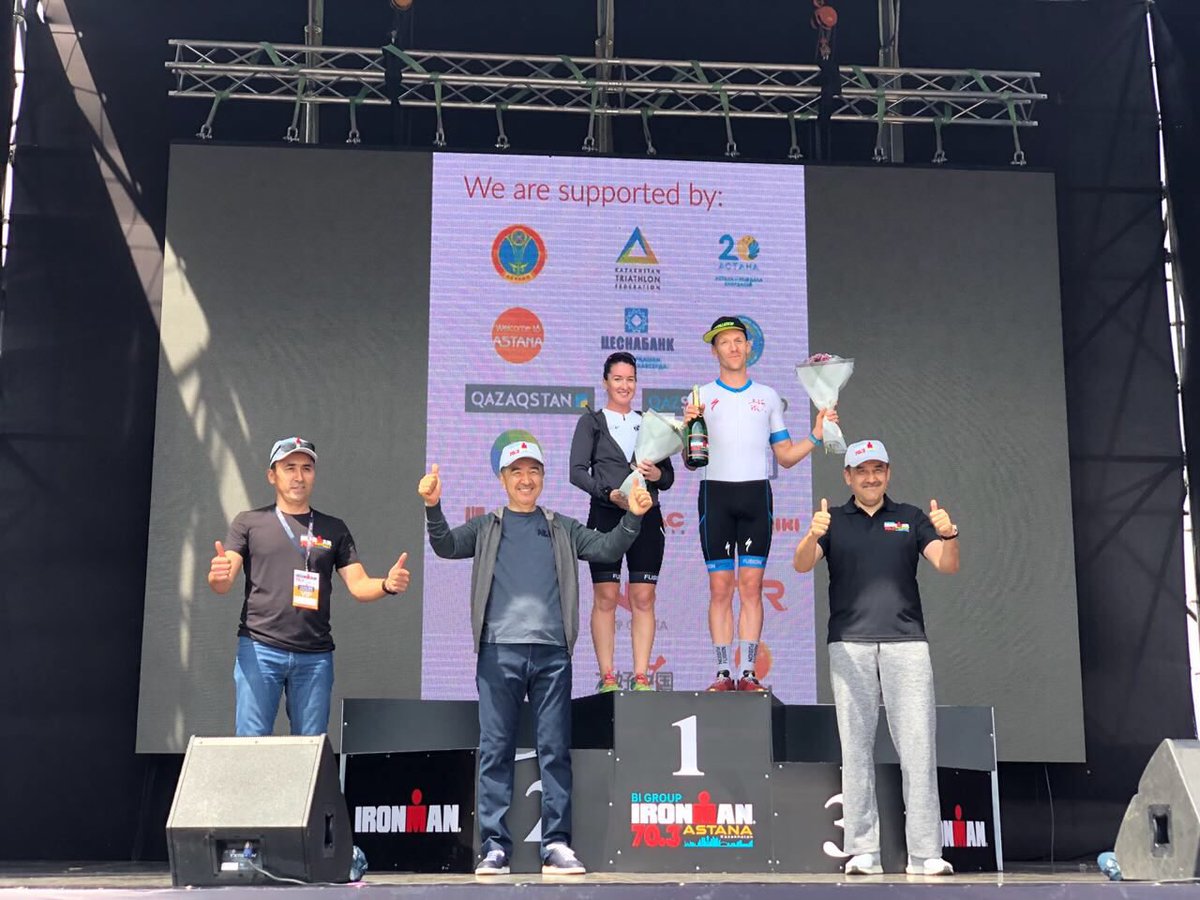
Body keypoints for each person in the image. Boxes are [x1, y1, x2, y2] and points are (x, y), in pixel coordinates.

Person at [419, 440, 652, 877]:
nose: (526, 480)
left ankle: (556, 845)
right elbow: (446, 546)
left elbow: (606, 549)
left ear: (543, 477)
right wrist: (433, 506)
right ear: (503, 479)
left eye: (534, 471)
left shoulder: (561, 527)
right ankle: (493, 847)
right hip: (498, 651)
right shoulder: (486, 526)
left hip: (552, 654)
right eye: (517, 472)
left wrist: (633, 517)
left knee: (554, 751)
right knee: (495, 750)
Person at [792, 439, 959, 877]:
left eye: (877, 469)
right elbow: (801, 565)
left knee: (919, 748)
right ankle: (864, 850)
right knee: (856, 749)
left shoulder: (911, 517)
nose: (870, 478)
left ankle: (925, 854)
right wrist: (812, 533)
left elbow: (946, 564)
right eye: (861, 470)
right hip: (849, 643)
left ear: (888, 473)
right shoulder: (833, 520)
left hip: (907, 643)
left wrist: (949, 535)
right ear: (847, 476)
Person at [207, 436, 411, 737]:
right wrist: (218, 576)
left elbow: (359, 585)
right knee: (250, 744)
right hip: (260, 649)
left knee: (310, 747)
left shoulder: (333, 528)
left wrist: (387, 584)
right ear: (272, 475)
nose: (298, 476)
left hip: (315, 656)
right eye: (289, 468)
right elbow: (223, 583)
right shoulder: (249, 522)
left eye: (306, 468)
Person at [683, 315, 836, 691]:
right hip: (715, 495)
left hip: (755, 496)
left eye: (739, 340)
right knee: (720, 588)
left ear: (749, 347)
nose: (733, 347)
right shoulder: (699, 397)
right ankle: (723, 673)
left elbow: (785, 455)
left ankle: (748, 672)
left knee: (751, 586)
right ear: (714, 351)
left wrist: (816, 435)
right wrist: (688, 428)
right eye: (724, 342)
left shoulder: (767, 396)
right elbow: (690, 461)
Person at [569, 351, 674, 693]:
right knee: (606, 596)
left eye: (630, 379)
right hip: (605, 514)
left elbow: (668, 477)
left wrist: (656, 474)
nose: (624, 385)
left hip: (647, 516)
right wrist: (607, 493)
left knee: (643, 597)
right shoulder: (592, 422)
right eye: (617, 379)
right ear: (605, 382)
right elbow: (576, 472)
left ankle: (642, 677)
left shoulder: (650, 422)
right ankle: (608, 678)